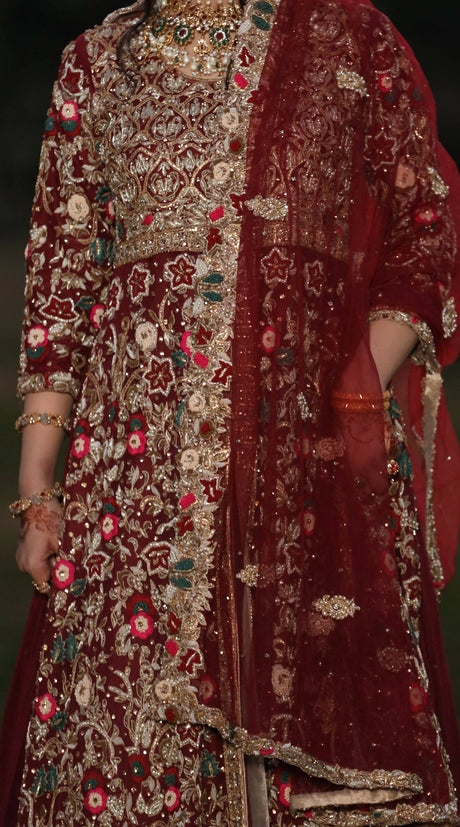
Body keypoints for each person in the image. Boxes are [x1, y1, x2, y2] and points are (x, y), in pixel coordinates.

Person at [1, 0, 460, 823]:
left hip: (303, 451)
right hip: (134, 479)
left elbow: (424, 227)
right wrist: (38, 489)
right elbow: (61, 286)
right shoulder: (96, 61)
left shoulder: (344, 35)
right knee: (135, 740)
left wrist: (355, 389)